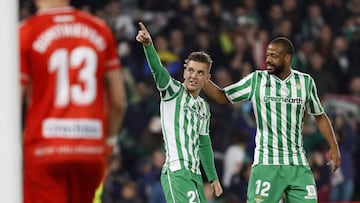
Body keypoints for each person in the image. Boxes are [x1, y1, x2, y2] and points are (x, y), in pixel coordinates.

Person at [203, 37, 341, 202]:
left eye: (274, 55)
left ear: (287, 58)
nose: (268, 59)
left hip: (298, 165)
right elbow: (222, 97)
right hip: (266, 165)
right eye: (267, 55)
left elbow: (320, 116)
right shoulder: (257, 80)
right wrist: (203, 79)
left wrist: (333, 145)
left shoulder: (305, 82)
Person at [19, 0, 127, 202]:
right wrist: (108, 143)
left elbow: (11, 103)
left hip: (45, 149)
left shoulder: (26, 32)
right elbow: (119, 101)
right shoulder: (99, 29)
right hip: (90, 148)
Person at [136, 22, 223, 203]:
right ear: (184, 72)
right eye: (190, 70)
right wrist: (149, 46)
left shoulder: (203, 107)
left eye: (200, 73)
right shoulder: (173, 91)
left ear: (207, 78)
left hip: (196, 176)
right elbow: (158, 71)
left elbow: (204, 143)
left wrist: (213, 177)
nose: (193, 76)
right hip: (177, 172)